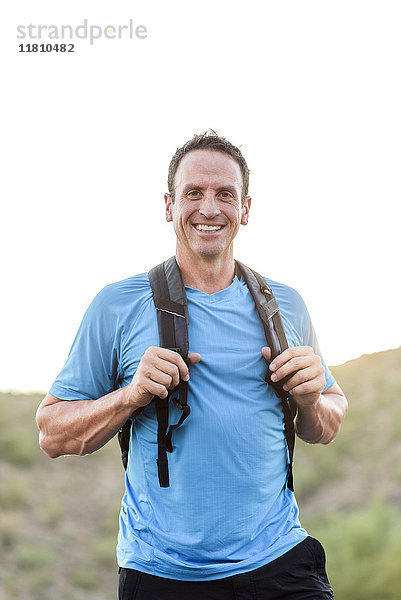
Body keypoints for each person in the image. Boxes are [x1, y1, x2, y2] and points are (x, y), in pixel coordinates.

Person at [36, 131, 348, 600]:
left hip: (280, 563)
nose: (208, 208)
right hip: (163, 575)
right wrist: (132, 395)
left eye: (225, 194)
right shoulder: (118, 306)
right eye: (193, 193)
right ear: (168, 205)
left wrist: (310, 400)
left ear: (244, 209)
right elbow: (52, 434)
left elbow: (326, 421)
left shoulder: (285, 306)